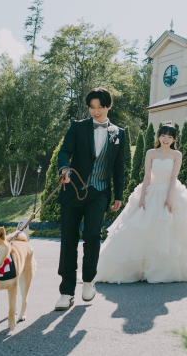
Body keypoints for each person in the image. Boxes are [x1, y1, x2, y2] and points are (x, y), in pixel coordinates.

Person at [95, 123, 187, 283]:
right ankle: (140, 268)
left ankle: (167, 269)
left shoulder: (177, 155)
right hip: (152, 191)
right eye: (163, 135)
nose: (166, 139)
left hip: (171, 191)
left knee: (171, 229)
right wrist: (142, 197)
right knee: (142, 226)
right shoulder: (150, 153)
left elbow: (173, 177)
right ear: (158, 137)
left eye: (169, 136)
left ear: (174, 139)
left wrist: (169, 197)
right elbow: (147, 176)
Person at [54, 87, 126, 311]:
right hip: (73, 190)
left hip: (100, 191)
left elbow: (119, 166)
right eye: (92, 107)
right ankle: (66, 292)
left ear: (109, 107)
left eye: (100, 107)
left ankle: (88, 281)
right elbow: (64, 151)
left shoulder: (118, 133)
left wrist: (118, 195)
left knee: (93, 236)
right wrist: (64, 169)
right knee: (68, 239)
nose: (95, 111)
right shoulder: (77, 127)